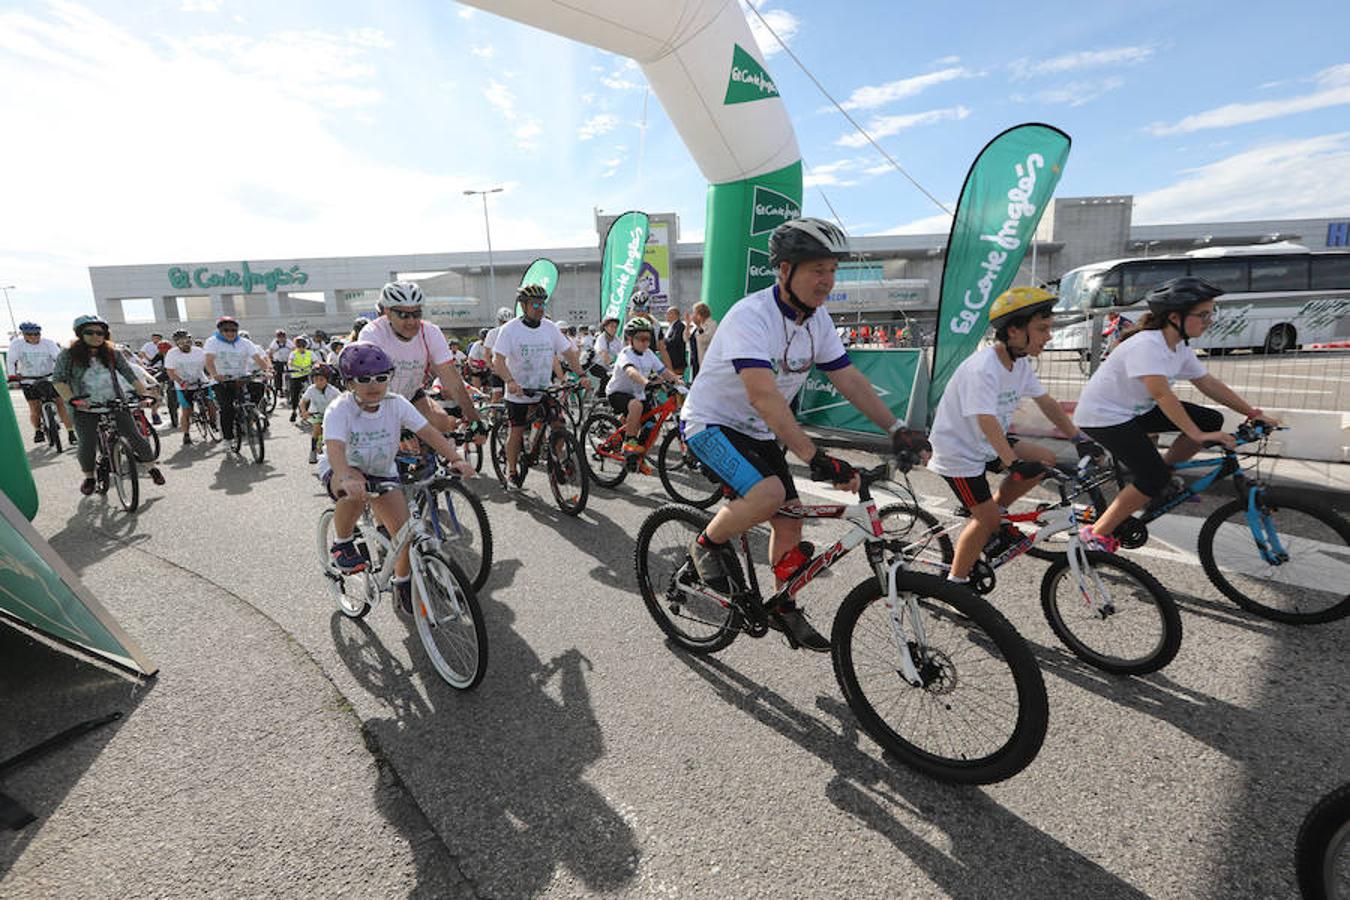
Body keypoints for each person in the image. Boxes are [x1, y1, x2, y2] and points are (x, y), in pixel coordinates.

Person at [679, 218, 927, 651]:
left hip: (758, 432)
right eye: (817, 270)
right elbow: (763, 396)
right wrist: (814, 457)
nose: (827, 281)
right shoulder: (751, 316)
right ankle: (705, 544)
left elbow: (848, 379)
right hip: (710, 422)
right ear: (784, 270)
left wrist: (897, 428)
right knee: (770, 495)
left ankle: (783, 605)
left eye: (832, 270)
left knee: (790, 517)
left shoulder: (818, 321)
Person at [1074, 277, 1279, 550]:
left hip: (1134, 411)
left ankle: (1163, 480)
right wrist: (1196, 434)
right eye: (1202, 314)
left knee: (1210, 420)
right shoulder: (1148, 345)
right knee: (1152, 476)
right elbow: (1162, 394)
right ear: (1174, 317)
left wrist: (1253, 413)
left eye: (1211, 313)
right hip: (1104, 417)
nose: (1209, 320)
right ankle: (1096, 535)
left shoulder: (1177, 345)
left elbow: (1208, 383)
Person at [926, 287, 1104, 585]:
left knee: (1044, 460)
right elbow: (985, 419)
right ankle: (956, 586)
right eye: (1042, 329)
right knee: (984, 521)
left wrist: (1079, 439)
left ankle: (995, 516)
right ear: (1014, 331)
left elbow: (1046, 402)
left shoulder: (1018, 363)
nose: (1049, 336)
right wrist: (1011, 463)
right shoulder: (984, 368)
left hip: (986, 443)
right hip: (959, 452)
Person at [321, 343, 476, 615]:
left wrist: (456, 459)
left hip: (382, 469)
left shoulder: (396, 404)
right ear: (348, 383)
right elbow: (335, 449)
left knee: (404, 534)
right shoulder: (339, 408)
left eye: (381, 377)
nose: (374, 385)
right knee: (357, 490)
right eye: (364, 379)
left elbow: (428, 432)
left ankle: (402, 583)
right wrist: (345, 476)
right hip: (344, 468)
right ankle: (342, 543)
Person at [357, 281, 486, 439]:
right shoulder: (372, 334)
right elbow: (369, 385)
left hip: (412, 394)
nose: (411, 321)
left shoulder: (430, 332)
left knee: (443, 424)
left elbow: (452, 380)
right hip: (378, 398)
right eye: (403, 315)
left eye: (416, 314)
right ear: (388, 312)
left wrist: (475, 420)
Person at [52, 315, 166, 494]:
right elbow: (59, 380)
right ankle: (89, 477)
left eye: (101, 332)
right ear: (80, 334)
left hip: (115, 402)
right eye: (90, 332)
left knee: (135, 436)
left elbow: (130, 375)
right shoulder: (68, 354)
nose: (96, 336)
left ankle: (152, 468)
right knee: (87, 443)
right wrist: (73, 399)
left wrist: (145, 394)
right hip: (85, 406)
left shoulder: (113, 352)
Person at [492, 284, 586, 488]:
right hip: (519, 391)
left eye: (543, 303)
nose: (540, 308)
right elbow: (497, 361)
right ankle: (512, 470)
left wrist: (581, 374)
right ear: (524, 306)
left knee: (559, 425)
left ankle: (555, 460)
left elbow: (569, 353)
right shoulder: (510, 329)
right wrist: (510, 381)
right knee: (516, 432)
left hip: (544, 389)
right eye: (536, 304)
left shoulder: (549, 328)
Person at [607, 316, 679, 471]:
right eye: (641, 338)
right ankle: (629, 443)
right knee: (636, 406)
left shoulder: (649, 354)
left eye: (648, 338)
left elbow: (663, 371)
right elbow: (631, 371)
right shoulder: (625, 354)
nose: (645, 342)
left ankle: (638, 456)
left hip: (638, 393)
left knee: (652, 425)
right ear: (630, 339)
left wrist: (678, 382)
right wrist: (646, 382)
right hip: (618, 393)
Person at [203, 316, 272, 447]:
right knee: (227, 408)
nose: (230, 333)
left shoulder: (245, 343)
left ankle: (250, 414)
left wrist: (266, 371)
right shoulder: (212, 342)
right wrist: (215, 374)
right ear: (220, 331)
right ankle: (227, 438)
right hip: (222, 380)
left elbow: (258, 358)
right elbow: (209, 361)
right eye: (226, 330)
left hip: (241, 377)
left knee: (256, 390)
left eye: (233, 330)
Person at [6, 322, 76, 446]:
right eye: (30, 334)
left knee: (61, 403)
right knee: (35, 408)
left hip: (49, 377)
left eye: (37, 334)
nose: (34, 337)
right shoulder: (17, 344)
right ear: (24, 335)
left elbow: (58, 359)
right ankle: (38, 430)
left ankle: (71, 433)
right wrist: (12, 377)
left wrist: (65, 373)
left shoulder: (48, 343)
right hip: (28, 379)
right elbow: (11, 361)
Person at [163, 329, 213, 448]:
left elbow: (208, 365)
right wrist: (181, 381)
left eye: (187, 340)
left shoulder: (199, 351)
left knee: (211, 404)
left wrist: (212, 375)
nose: (185, 343)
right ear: (176, 343)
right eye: (181, 342)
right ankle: (186, 434)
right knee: (186, 410)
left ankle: (213, 424)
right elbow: (170, 372)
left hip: (201, 381)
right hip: (183, 385)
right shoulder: (172, 353)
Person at [299, 364, 341, 464]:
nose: (318, 382)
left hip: (330, 414)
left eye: (321, 379)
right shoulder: (311, 389)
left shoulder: (333, 391)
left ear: (327, 380)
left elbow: (342, 401)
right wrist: (304, 411)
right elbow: (303, 401)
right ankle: (313, 451)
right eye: (316, 379)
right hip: (316, 412)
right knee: (317, 429)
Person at [481, 306, 515, 403]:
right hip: (498, 369)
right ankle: (493, 414)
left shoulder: (515, 332)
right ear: (499, 321)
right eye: (503, 322)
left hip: (512, 370)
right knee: (497, 395)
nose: (505, 325)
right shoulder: (492, 333)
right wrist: (491, 367)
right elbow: (486, 354)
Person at [286, 336, 316, 421]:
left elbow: (316, 361)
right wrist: (295, 367)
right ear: (296, 346)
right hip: (296, 376)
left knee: (310, 392)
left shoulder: (310, 353)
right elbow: (290, 362)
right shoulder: (293, 354)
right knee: (294, 394)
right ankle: (294, 411)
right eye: (299, 346)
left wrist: (315, 365)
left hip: (306, 375)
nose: (301, 348)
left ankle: (308, 410)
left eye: (303, 346)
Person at [591, 315, 622, 394]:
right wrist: (611, 364)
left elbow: (622, 353)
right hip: (596, 365)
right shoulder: (601, 338)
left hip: (607, 366)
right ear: (605, 327)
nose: (614, 329)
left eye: (616, 327)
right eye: (612, 326)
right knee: (606, 376)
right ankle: (601, 398)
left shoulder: (616, 339)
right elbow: (603, 353)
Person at [662, 305, 688, 380]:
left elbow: (675, 341)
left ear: (674, 315)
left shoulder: (679, 326)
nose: (666, 315)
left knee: (677, 384)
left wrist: (663, 341)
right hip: (669, 362)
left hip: (676, 362)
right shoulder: (671, 326)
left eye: (668, 313)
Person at [266, 330, 293, 400]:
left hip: (287, 361)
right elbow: (270, 352)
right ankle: (279, 389)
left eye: (283, 336)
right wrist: (271, 361)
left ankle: (289, 389)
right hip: (278, 361)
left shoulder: (289, 342)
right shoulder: (274, 343)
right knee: (278, 375)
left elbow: (294, 349)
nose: (281, 338)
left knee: (290, 375)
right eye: (279, 337)